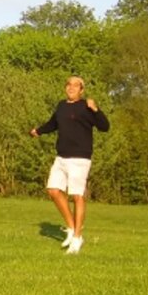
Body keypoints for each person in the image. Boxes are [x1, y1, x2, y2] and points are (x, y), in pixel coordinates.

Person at [30, 76, 109, 255]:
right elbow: (53, 124)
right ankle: (72, 228)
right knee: (53, 190)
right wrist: (38, 131)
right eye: (69, 84)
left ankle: (77, 238)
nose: (71, 87)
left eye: (76, 85)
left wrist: (96, 110)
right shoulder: (61, 106)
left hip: (80, 159)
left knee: (77, 196)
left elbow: (105, 127)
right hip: (61, 157)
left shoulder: (87, 107)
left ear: (81, 90)